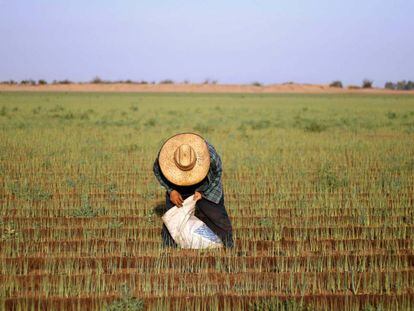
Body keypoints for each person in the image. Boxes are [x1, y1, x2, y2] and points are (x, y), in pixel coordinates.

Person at [153, 132, 234, 248]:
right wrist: (171, 191)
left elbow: (217, 175)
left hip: (205, 184)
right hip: (177, 185)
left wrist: (203, 191)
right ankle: (168, 249)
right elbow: (157, 171)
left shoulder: (209, 155)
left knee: (217, 217)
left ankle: (228, 246)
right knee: (173, 217)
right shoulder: (164, 156)